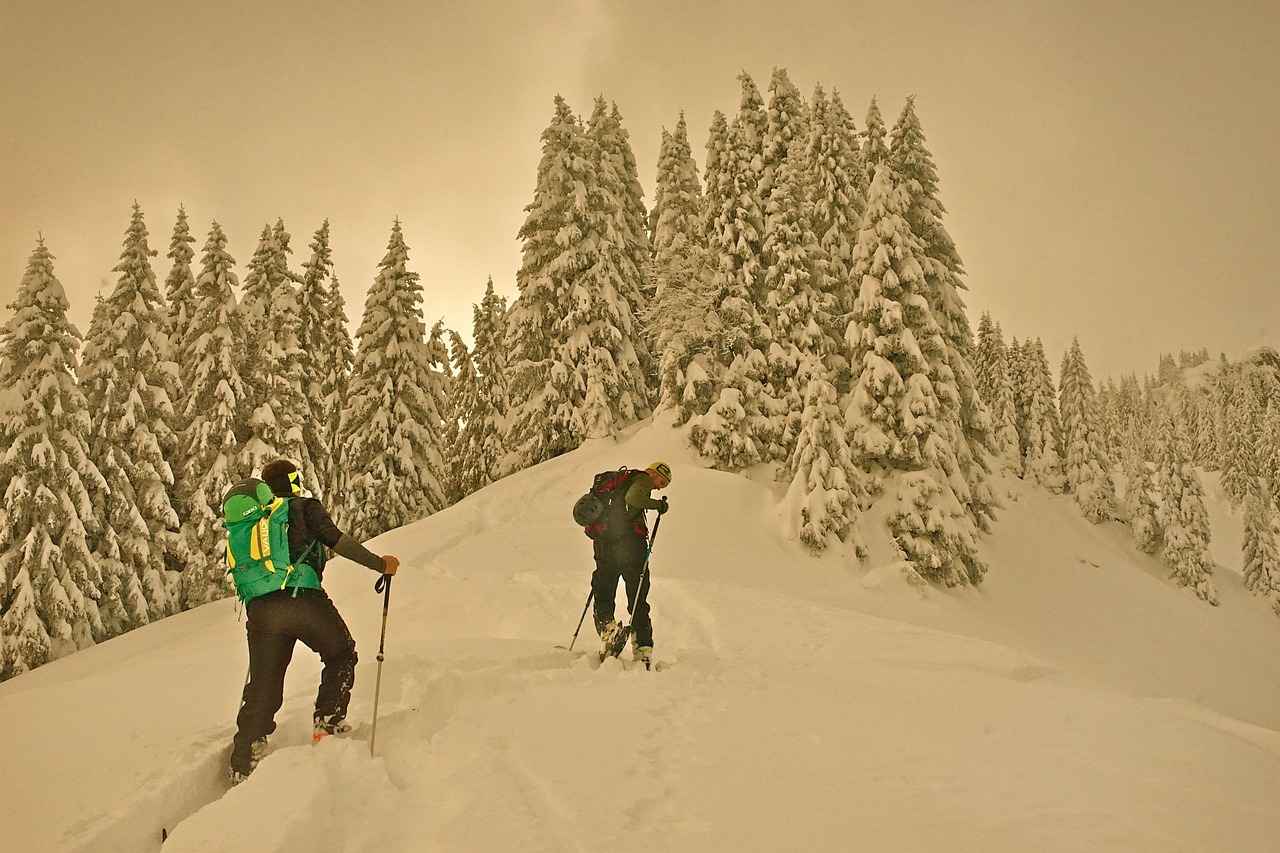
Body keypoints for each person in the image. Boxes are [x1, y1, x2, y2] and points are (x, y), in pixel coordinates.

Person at [228, 458, 399, 783]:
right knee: (341, 653)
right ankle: (327, 722)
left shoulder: (255, 522)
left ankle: (244, 757)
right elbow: (336, 540)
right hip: (302, 599)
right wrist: (380, 564)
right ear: (293, 482)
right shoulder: (304, 507)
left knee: (264, 682)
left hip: (261, 609)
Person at [593, 461, 671, 665]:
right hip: (630, 546)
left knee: (603, 589)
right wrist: (658, 505)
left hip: (605, 543)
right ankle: (643, 647)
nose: (659, 488)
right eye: (662, 482)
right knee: (637, 596)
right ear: (654, 473)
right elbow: (633, 498)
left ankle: (608, 630)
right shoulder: (643, 479)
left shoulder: (621, 482)